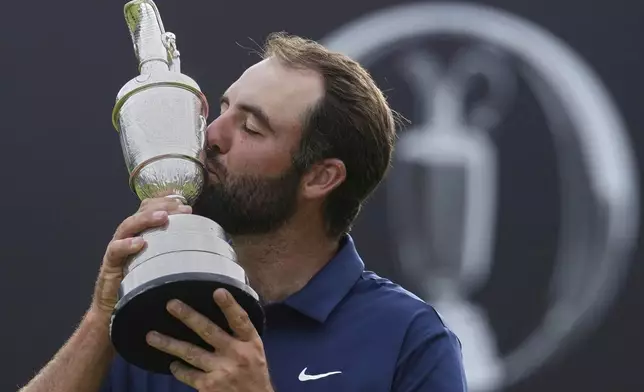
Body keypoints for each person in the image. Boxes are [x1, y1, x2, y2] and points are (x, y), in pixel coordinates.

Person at [20, 33, 467, 392]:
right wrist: (102, 321)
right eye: (224, 108)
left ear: (320, 178)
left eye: (251, 127)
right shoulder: (154, 308)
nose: (212, 134)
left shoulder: (409, 340)